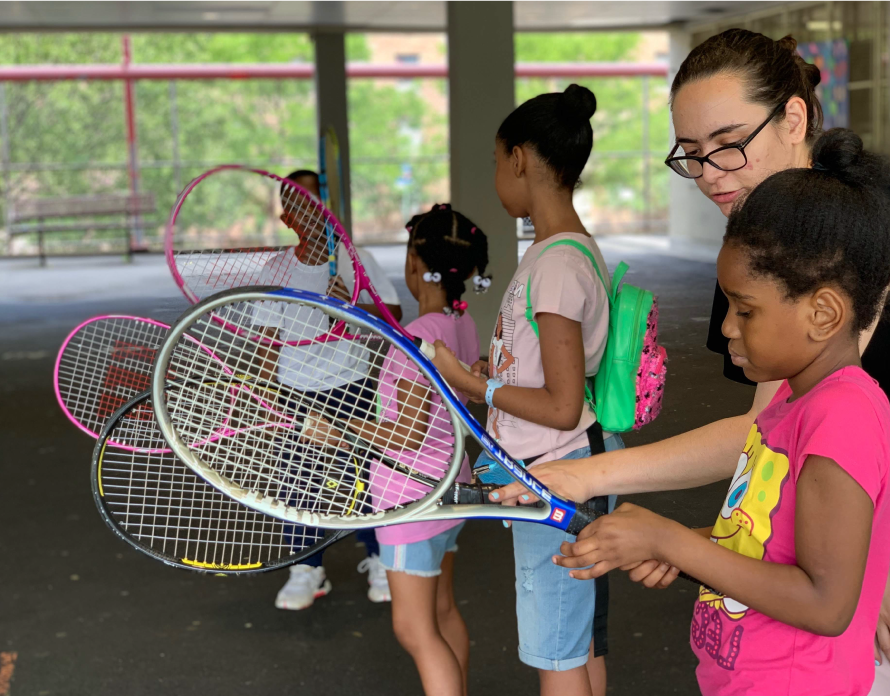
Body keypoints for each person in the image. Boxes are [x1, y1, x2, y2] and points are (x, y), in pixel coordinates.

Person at [493, 29, 890, 671]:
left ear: (793, 117)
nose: (709, 175)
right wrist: (593, 480)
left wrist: (867, 566)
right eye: (692, 154)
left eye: (729, 146)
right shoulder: (756, 251)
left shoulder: (856, 247)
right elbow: (764, 435)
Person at [554, 128, 890, 696]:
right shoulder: (793, 398)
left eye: (745, 309)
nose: (727, 327)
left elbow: (826, 602)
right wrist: (690, 549)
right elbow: (772, 538)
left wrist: (670, 541)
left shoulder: (844, 415)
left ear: (824, 313)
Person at [431, 84, 619, 696]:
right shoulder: (559, 254)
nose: (494, 176)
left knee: (556, 654)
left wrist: (475, 386)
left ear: (519, 159)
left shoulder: (557, 265)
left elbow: (563, 406)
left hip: (553, 478)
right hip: (556, 471)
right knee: (577, 641)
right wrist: (499, 374)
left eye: (494, 161)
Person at [307, 203, 489, 695]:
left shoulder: (419, 336)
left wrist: (338, 429)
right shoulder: (459, 325)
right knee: (443, 611)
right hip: (451, 489)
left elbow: (405, 435)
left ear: (414, 263)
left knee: (414, 628)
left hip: (412, 501)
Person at [265, 169, 400, 610]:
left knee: (363, 477)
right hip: (297, 392)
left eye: (316, 197)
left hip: (353, 384)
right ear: (287, 215)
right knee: (300, 481)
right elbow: (266, 342)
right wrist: (267, 398)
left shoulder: (353, 258)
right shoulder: (278, 267)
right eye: (298, 200)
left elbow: (392, 313)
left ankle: (379, 559)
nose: (309, 207)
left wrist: (353, 304)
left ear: (329, 207)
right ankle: (307, 568)